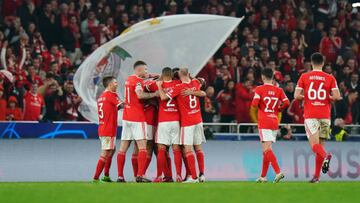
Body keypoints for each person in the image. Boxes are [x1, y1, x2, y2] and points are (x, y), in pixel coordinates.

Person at [294, 52, 341, 183]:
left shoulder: (304, 76)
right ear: (323, 63)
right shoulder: (330, 78)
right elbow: (337, 97)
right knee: (320, 145)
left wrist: (307, 97)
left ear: (311, 62)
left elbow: (296, 95)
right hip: (325, 115)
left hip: (311, 115)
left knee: (315, 146)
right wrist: (328, 97)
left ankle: (327, 156)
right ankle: (316, 177)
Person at [157, 68, 206, 183]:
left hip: (187, 122)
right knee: (198, 149)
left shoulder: (178, 87)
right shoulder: (196, 82)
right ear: (189, 73)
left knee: (188, 150)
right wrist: (193, 92)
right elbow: (203, 93)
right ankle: (202, 174)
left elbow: (163, 98)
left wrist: (159, 86)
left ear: (178, 75)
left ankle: (193, 177)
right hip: (198, 120)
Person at [116, 61, 158, 183]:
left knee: (123, 148)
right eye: (145, 69)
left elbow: (144, 78)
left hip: (126, 117)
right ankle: (140, 175)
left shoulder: (129, 79)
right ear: (139, 70)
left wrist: (150, 76)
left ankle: (120, 176)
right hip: (137, 117)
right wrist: (154, 93)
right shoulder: (138, 82)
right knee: (142, 147)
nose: (146, 71)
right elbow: (140, 95)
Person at [250, 68, 289, 183]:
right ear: (272, 77)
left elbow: (254, 104)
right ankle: (263, 176)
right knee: (267, 150)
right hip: (274, 120)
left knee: (266, 150)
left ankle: (278, 172)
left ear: (262, 77)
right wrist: (278, 109)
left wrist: (261, 107)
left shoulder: (259, 89)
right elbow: (286, 102)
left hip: (264, 121)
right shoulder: (279, 90)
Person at [146, 67, 182, 182]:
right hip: (176, 120)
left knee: (161, 149)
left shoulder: (157, 84)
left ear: (162, 74)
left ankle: (160, 176)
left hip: (163, 121)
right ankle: (179, 175)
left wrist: (155, 78)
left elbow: (145, 85)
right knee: (176, 148)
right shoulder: (177, 83)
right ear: (171, 75)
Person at [93, 76, 124, 183]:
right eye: (115, 82)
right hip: (108, 130)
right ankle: (96, 178)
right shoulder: (111, 95)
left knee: (111, 150)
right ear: (110, 84)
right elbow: (122, 105)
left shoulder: (102, 96)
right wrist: (133, 101)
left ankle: (106, 176)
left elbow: (117, 107)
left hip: (103, 128)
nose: (117, 84)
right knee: (105, 153)